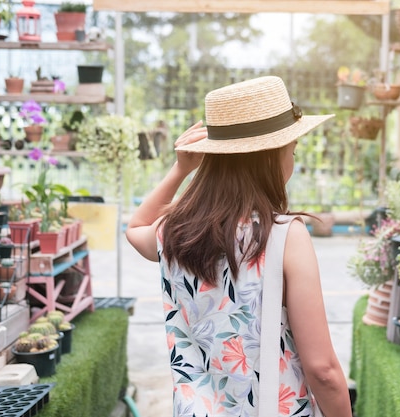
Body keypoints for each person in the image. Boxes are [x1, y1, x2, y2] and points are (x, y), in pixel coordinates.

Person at [126, 76, 352, 417]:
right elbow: (323, 370)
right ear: (272, 156)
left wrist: (180, 169)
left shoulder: (175, 231)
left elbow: (136, 229)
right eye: (291, 150)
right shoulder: (284, 236)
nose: (292, 159)